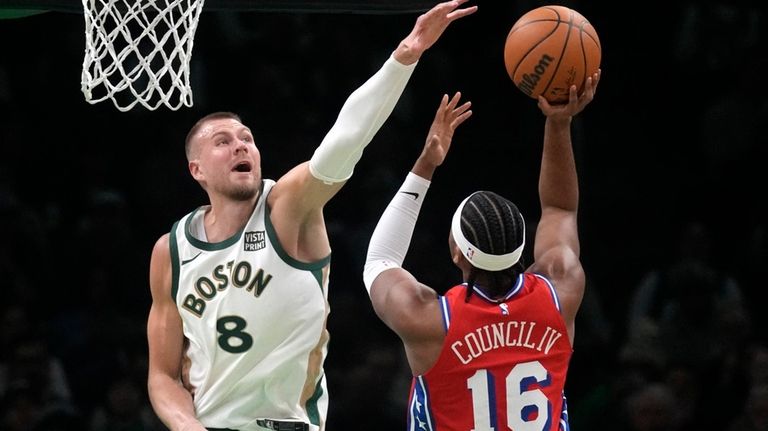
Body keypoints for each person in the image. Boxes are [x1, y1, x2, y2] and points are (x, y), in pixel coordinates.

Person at [145, 2, 478, 431]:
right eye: (223, 142)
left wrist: (405, 55)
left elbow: (343, 142)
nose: (241, 146)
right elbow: (162, 376)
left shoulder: (288, 208)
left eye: (246, 138)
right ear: (197, 170)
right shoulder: (171, 251)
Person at [362, 71, 600, 430]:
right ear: (522, 247)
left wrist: (426, 163)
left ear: (457, 253)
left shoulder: (429, 321)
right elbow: (560, 209)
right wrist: (559, 122)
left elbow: (379, 259)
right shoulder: (561, 290)